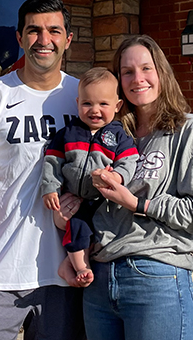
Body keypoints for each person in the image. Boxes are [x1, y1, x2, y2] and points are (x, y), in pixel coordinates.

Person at [71, 35, 193, 340]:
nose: (137, 78)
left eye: (146, 68)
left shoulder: (189, 129)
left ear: (162, 74)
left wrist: (139, 204)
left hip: (156, 276)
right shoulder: (108, 134)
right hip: (99, 280)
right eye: (127, 72)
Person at [0, 0, 86, 339]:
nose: (44, 40)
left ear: (68, 39)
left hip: (66, 276)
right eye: (34, 30)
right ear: (19, 37)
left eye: (54, 31)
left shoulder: (83, 98)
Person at [40, 67, 139, 287]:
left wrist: (117, 178)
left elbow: (129, 161)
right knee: (78, 227)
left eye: (103, 104)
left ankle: (70, 263)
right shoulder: (68, 133)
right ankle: (80, 266)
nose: (95, 110)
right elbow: (53, 161)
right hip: (74, 196)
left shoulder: (119, 135)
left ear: (117, 106)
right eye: (87, 104)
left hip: (103, 198)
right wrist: (50, 188)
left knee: (100, 230)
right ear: (77, 103)